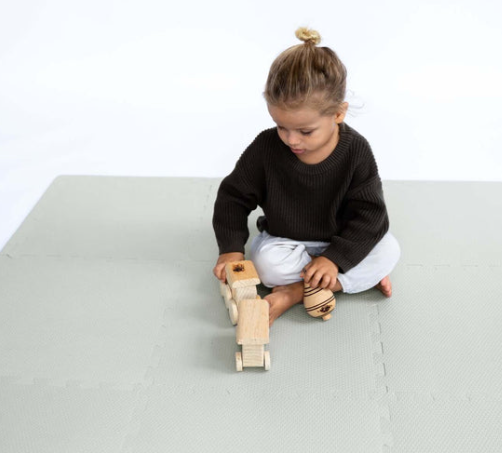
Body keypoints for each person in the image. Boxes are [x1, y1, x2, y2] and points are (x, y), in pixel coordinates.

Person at [212, 27, 401, 326]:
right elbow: (233, 197)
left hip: (342, 238)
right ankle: (344, 281)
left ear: (338, 114)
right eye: (281, 126)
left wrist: (335, 258)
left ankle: (296, 292)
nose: (291, 140)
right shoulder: (265, 148)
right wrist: (231, 249)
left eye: (305, 131)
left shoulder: (356, 151)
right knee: (265, 264)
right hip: (286, 242)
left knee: (388, 250)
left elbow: (370, 215)